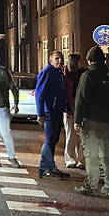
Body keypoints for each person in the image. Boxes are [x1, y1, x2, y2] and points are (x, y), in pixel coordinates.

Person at [73, 46, 109, 196]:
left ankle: (91, 184)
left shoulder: (88, 75)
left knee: (92, 155)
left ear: (89, 60)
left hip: (92, 121)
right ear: (103, 59)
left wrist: (77, 120)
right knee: (108, 154)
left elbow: (82, 100)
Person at [34, 50, 70, 179]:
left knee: (54, 140)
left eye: (61, 58)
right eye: (56, 58)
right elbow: (39, 94)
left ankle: (49, 166)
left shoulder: (58, 72)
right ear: (50, 60)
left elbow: (61, 93)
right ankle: (45, 168)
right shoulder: (47, 72)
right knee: (49, 140)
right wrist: (40, 113)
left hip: (57, 111)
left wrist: (66, 108)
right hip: (49, 112)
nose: (59, 61)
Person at [62, 53, 86, 169]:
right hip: (70, 108)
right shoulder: (64, 75)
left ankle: (79, 160)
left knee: (79, 136)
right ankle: (73, 159)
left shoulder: (83, 74)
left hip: (80, 108)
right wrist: (67, 108)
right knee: (72, 135)